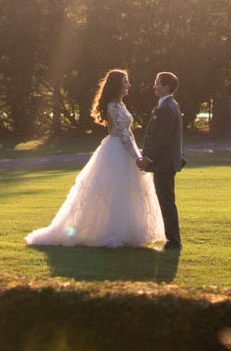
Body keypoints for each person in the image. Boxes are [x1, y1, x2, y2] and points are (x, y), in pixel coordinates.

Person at [24, 68, 166, 248]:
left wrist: (138, 153)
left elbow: (129, 133)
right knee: (114, 190)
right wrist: (135, 157)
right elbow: (122, 133)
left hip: (126, 150)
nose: (128, 85)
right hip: (115, 151)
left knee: (129, 191)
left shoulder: (121, 105)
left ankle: (128, 232)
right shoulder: (111, 107)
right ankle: (112, 234)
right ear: (116, 86)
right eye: (125, 82)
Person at [136, 70, 185, 249]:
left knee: (166, 201)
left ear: (166, 86)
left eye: (157, 83)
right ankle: (172, 239)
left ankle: (173, 241)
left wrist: (148, 158)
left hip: (164, 164)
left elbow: (163, 138)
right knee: (165, 199)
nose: (154, 86)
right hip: (165, 163)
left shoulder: (166, 108)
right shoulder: (169, 106)